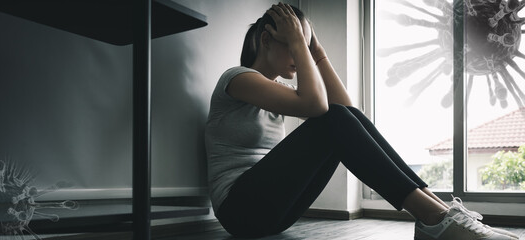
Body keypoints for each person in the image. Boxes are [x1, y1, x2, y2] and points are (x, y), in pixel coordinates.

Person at [204, 3, 519, 239]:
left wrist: (318, 51)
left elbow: (345, 111)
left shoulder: (279, 91)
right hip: (239, 210)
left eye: (302, 45)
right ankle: (434, 218)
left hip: (276, 212)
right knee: (333, 119)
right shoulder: (238, 78)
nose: (300, 55)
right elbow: (320, 108)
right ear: (266, 39)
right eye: (292, 42)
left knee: (343, 117)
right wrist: (301, 43)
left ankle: (438, 212)